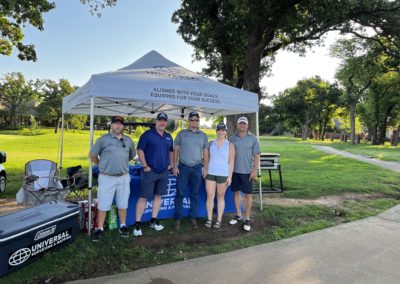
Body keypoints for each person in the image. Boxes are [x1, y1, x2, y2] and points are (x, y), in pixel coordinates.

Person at [89, 116, 136, 241]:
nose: (118, 126)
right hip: (106, 177)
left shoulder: (128, 140)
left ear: (123, 126)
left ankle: (123, 225)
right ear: (111, 125)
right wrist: (101, 165)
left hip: (123, 177)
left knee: (123, 202)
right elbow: (92, 155)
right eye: (115, 123)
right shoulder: (103, 140)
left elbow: (131, 156)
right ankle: (100, 228)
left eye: (120, 124)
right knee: (104, 203)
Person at [133, 112, 174, 237]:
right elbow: (140, 150)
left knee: (158, 196)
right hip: (150, 172)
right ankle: (137, 224)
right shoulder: (147, 135)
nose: (162, 123)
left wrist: (171, 163)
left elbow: (171, 151)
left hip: (163, 172)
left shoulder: (168, 136)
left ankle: (153, 220)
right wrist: (145, 166)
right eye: (160, 120)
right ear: (156, 121)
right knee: (144, 197)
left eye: (164, 121)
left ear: (166, 123)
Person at [173, 111, 209, 229]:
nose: (194, 122)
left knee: (195, 194)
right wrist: (174, 165)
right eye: (192, 119)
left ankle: (193, 218)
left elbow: (205, 152)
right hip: (183, 167)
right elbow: (176, 149)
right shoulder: (181, 134)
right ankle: (177, 218)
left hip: (197, 168)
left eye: (196, 120)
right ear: (189, 121)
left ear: (199, 121)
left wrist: (206, 168)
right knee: (180, 193)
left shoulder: (203, 135)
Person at [229, 116, 260, 232]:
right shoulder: (232, 138)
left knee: (248, 195)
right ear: (238, 125)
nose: (242, 125)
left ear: (247, 125)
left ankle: (247, 218)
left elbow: (257, 155)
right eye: (240, 123)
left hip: (247, 171)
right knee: (236, 193)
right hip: (234, 171)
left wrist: (254, 170)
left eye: (244, 123)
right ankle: (238, 215)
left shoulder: (253, 139)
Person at [204, 122, 235, 229]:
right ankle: (209, 219)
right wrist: (206, 170)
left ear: (226, 132)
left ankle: (219, 220)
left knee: (220, 196)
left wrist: (230, 176)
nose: (221, 132)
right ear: (216, 131)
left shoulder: (230, 145)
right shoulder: (211, 143)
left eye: (223, 130)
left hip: (223, 174)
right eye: (219, 130)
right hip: (211, 173)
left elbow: (231, 162)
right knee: (210, 196)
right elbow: (206, 159)